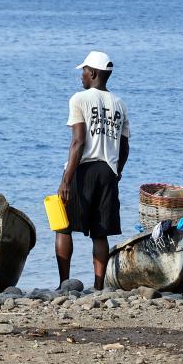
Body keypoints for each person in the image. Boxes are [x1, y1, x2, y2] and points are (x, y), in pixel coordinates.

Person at [55, 51, 130, 290]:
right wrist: (117, 173)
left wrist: (67, 180)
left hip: (83, 169)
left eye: (84, 71)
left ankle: (64, 284)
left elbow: (78, 141)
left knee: (63, 226)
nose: (82, 75)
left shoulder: (79, 99)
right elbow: (125, 146)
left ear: (94, 73)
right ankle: (98, 287)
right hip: (108, 170)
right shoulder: (119, 104)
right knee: (100, 232)